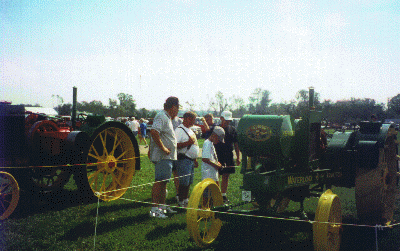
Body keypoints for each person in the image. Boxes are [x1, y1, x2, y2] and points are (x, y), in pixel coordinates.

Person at [148, 96, 180, 218]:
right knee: (160, 182)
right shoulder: (161, 116)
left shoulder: (167, 117)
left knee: (164, 182)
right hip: (163, 156)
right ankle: (155, 209)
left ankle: (162, 206)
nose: (177, 111)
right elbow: (154, 132)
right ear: (173, 107)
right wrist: (163, 148)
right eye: (177, 108)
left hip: (168, 157)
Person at [215, 110, 241, 204]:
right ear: (221, 118)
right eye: (225, 120)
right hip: (217, 155)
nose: (227, 122)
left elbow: (236, 144)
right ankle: (215, 194)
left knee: (226, 175)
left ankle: (223, 195)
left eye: (229, 121)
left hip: (228, 155)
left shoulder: (233, 129)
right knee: (216, 176)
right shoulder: (215, 129)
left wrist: (238, 157)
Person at [175, 111, 200, 208]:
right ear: (185, 119)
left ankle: (185, 199)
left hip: (190, 160)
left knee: (188, 181)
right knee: (183, 182)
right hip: (183, 159)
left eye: (194, 120)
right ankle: (181, 200)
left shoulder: (189, 130)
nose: (193, 122)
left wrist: (195, 159)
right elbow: (175, 146)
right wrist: (187, 143)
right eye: (192, 119)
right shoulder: (179, 130)